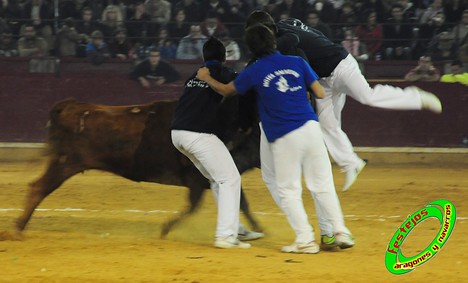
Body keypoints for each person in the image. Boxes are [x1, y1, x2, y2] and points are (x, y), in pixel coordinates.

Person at [196, 24, 354, 254]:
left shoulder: (255, 70)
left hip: (283, 135)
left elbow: (227, 91)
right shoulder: (297, 62)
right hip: (311, 128)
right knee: (322, 185)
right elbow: (319, 92)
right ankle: (340, 231)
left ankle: (305, 240)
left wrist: (206, 77)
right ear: (274, 41)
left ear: (251, 47)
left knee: (288, 191)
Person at [245, 10, 443, 193]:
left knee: (368, 96)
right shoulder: (287, 24)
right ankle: (351, 163)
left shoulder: (283, 41)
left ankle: (415, 97)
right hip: (324, 77)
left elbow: (298, 55)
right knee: (327, 124)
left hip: (341, 65)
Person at [171, 36, 260, 249]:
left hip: (177, 134)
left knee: (217, 179)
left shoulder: (194, 75)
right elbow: (237, 87)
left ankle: (235, 228)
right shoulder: (221, 73)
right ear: (224, 57)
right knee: (230, 179)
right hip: (198, 134)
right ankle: (225, 236)